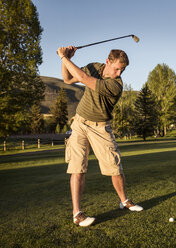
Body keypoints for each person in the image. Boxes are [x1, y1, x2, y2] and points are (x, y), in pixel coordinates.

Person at [57, 46, 143, 227]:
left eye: (122, 70)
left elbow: (82, 78)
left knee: (114, 167)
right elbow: (68, 79)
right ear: (107, 62)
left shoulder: (116, 85)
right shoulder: (94, 67)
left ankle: (124, 201)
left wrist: (64, 57)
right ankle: (77, 213)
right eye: (117, 68)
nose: (119, 73)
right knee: (77, 167)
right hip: (80, 123)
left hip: (101, 127)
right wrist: (65, 60)